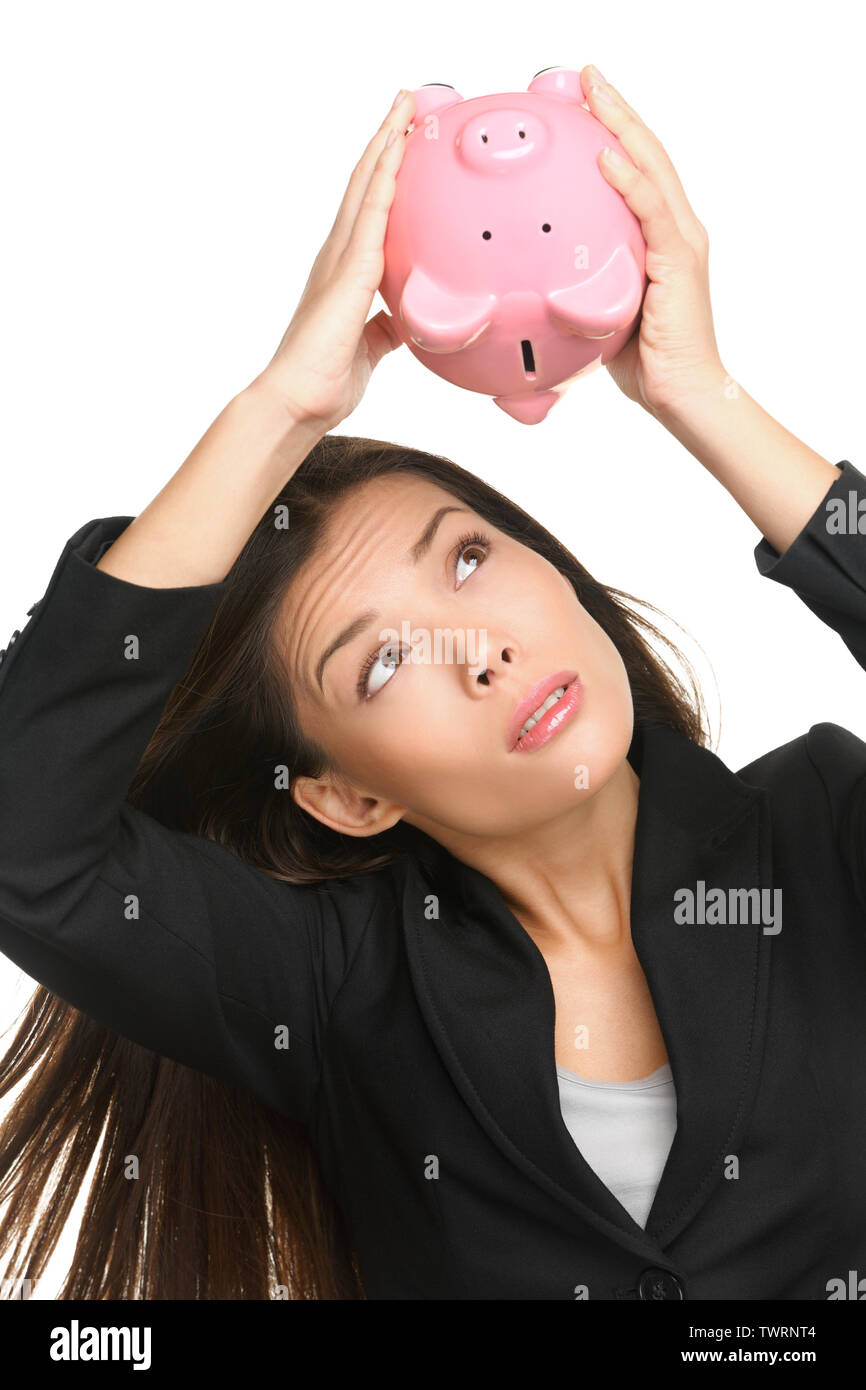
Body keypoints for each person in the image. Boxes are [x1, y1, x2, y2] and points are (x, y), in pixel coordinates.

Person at [0, 67, 861, 1302]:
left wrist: (700, 395)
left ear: (551, 566)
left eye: (466, 558)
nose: (482, 649)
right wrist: (283, 403)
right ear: (347, 795)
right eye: (385, 661)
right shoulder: (340, 994)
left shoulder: (819, 834)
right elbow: (25, 837)